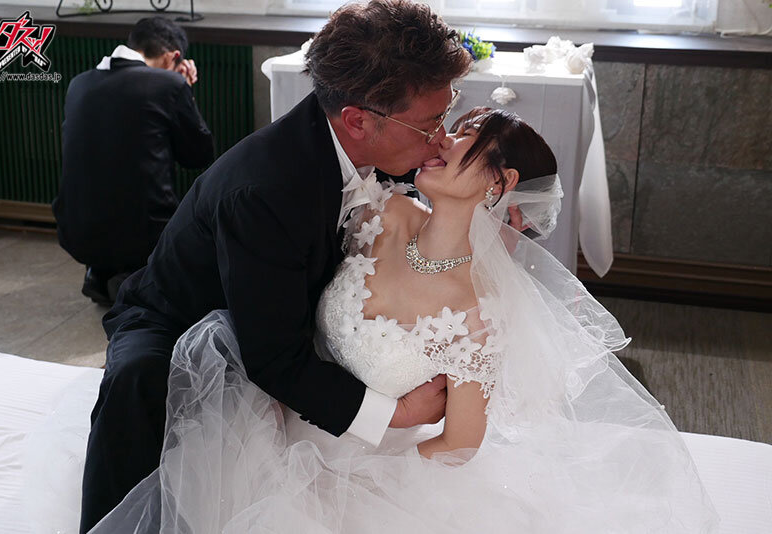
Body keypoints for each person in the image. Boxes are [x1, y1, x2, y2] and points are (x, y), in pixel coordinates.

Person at [56, 107, 719, 533]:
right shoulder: (380, 214)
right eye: (448, 123)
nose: (442, 139)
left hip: (365, 468)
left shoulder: (475, 314)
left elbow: (459, 444)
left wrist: (355, 473)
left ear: (498, 182)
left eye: (464, 137)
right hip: (277, 415)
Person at [77, 2, 472, 532]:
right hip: (178, 320)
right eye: (430, 124)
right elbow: (273, 356)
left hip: (284, 314)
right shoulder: (265, 192)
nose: (441, 137)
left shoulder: (375, 144)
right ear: (357, 120)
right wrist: (395, 415)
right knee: (138, 383)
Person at [52, 16, 213, 306]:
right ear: (174, 57)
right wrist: (185, 89)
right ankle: (134, 280)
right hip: (143, 235)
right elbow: (198, 156)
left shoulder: (79, 83)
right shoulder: (168, 83)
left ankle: (101, 272)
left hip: (74, 231)